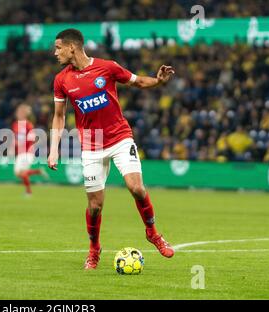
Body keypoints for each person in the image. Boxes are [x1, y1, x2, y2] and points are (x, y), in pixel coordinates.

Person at [47, 29, 175, 269]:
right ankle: (94, 248)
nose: (55, 53)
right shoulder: (61, 80)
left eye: (58, 48)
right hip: (92, 145)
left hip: (120, 137)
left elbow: (137, 81)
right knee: (95, 206)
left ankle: (153, 233)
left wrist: (158, 81)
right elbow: (58, 116)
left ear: (72, 47)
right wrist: (54, 149)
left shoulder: (107, 68)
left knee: (136, 187)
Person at [11, 103, 48, 196]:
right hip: (20, 153)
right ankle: (38, 171)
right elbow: (14, 138)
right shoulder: (15, 125)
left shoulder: (28, 125)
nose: (17, 113)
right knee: (18, 173)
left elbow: (33, 138)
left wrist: (22, 143)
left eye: (20, 111)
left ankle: (28, 192)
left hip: (27, 152)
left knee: (21, 173)